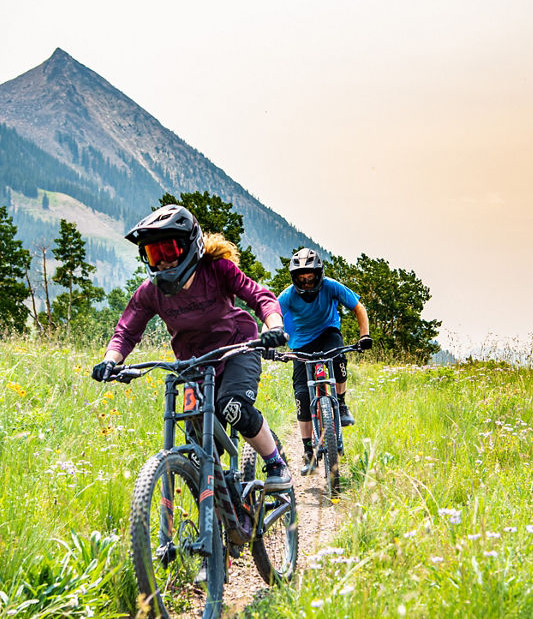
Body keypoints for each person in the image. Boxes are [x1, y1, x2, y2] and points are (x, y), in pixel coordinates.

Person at [91, 204, 292, 490]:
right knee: (197, 446)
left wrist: (274, 327)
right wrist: (111, 360)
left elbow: (260, 296)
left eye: (168, 251)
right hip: (194, 364)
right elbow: (126, 330)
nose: (161, 263)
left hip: (238, 348)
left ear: (191, 246)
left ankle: (275, 463)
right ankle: (221, 507)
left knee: (233, 407)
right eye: (153, 254)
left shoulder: (218, 270)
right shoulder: (151, 292)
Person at [277, 248, 371, 474]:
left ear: (319, 275)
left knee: (339, 357)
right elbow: (272, 316)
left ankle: (341, 402)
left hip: (328, 333)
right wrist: (268, 341)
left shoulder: (331, 286)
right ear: (294, 279)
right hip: (301, 343)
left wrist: (364, 336)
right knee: (301, 394)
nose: (307, 284)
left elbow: (359, 308)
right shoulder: (287, 296)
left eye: (310, 279)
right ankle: (308, 452)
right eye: (302, 279)